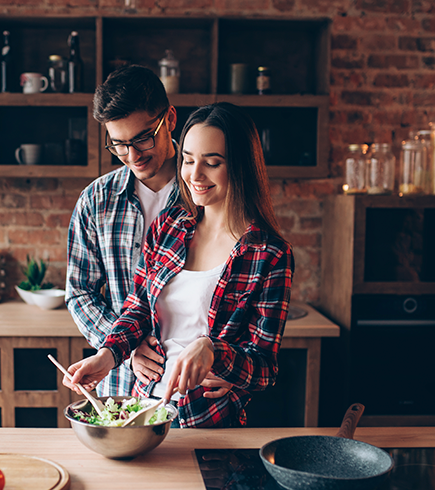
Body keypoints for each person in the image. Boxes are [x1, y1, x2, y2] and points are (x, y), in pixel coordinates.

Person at [64, 102, 293, 428]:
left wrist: (213, 351)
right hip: (142, 413)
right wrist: (108, 355)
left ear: (241, 166)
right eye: (187, 160)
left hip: (208, 421)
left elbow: (264, 368)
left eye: (212, 163)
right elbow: (138, 309)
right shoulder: (168, 227)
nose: (194, 175)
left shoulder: (269, 254)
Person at [66, 65, 180, 397]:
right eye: (119, 144)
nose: (132, 156)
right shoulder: (96, 200)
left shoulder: (205, 193)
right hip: (120, 386)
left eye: (143, 138)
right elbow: (79, 292)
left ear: (170, 119)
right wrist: (124, 349)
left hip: (190, 389)